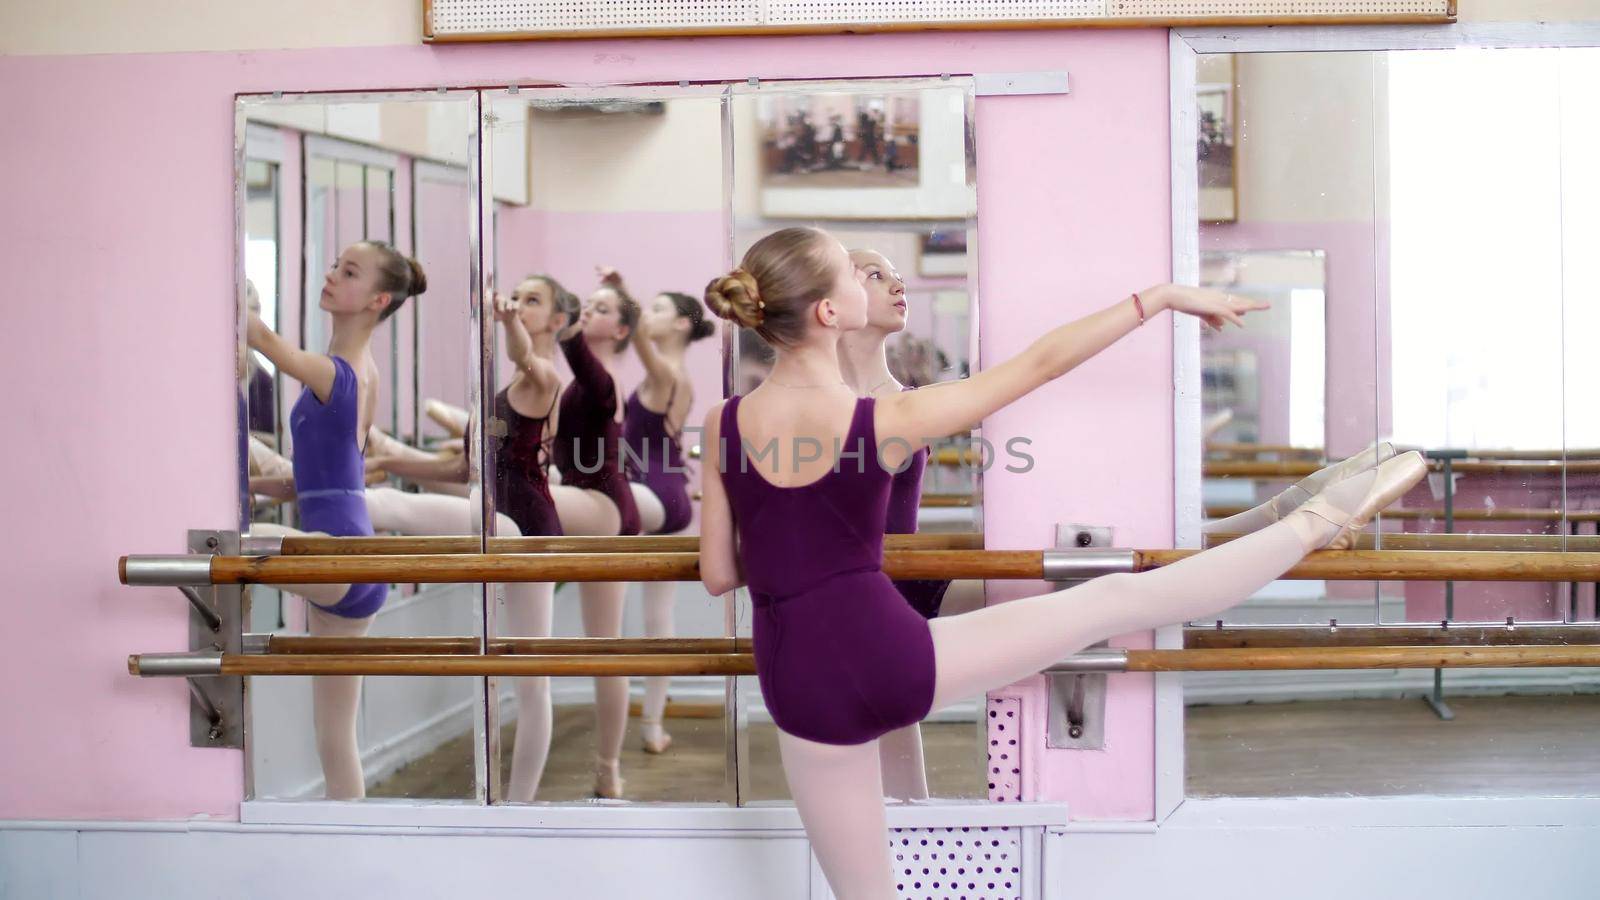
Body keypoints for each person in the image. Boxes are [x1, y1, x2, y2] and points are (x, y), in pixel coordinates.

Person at [697, 226, 1427, 898]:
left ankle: (1298, 519)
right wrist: (1162, 297)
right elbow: (1042, 364)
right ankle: (1317, 521)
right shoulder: (886, 419)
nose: (870, 284)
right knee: (1110, 601)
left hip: (792, 683)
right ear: (828, 313)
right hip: (886, 654)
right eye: (854, 276)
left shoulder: (725, 422)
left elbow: (719, 574)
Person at [246, 240, 425, 800]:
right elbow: (318, 481)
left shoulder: (335, 372)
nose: (331, 277)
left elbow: (262, 338)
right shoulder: (364, 371)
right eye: (334, 266)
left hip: (340, 552)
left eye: (348, 272)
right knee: (334, 737)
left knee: (231, 543)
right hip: (354, 560)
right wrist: (255, 486)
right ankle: (351, 848)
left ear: (377, 299)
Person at [608, 270, 717, 753]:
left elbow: (638, 344)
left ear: (679, 325)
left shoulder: (668, 373)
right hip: (664, 499)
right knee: (658, 619)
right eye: (646, 309)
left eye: (657, 310)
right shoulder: (677, 377)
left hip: (653, 495)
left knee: (652, 617)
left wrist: (624, 300)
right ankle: (652, 726)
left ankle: (649, 721)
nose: (647, 318)